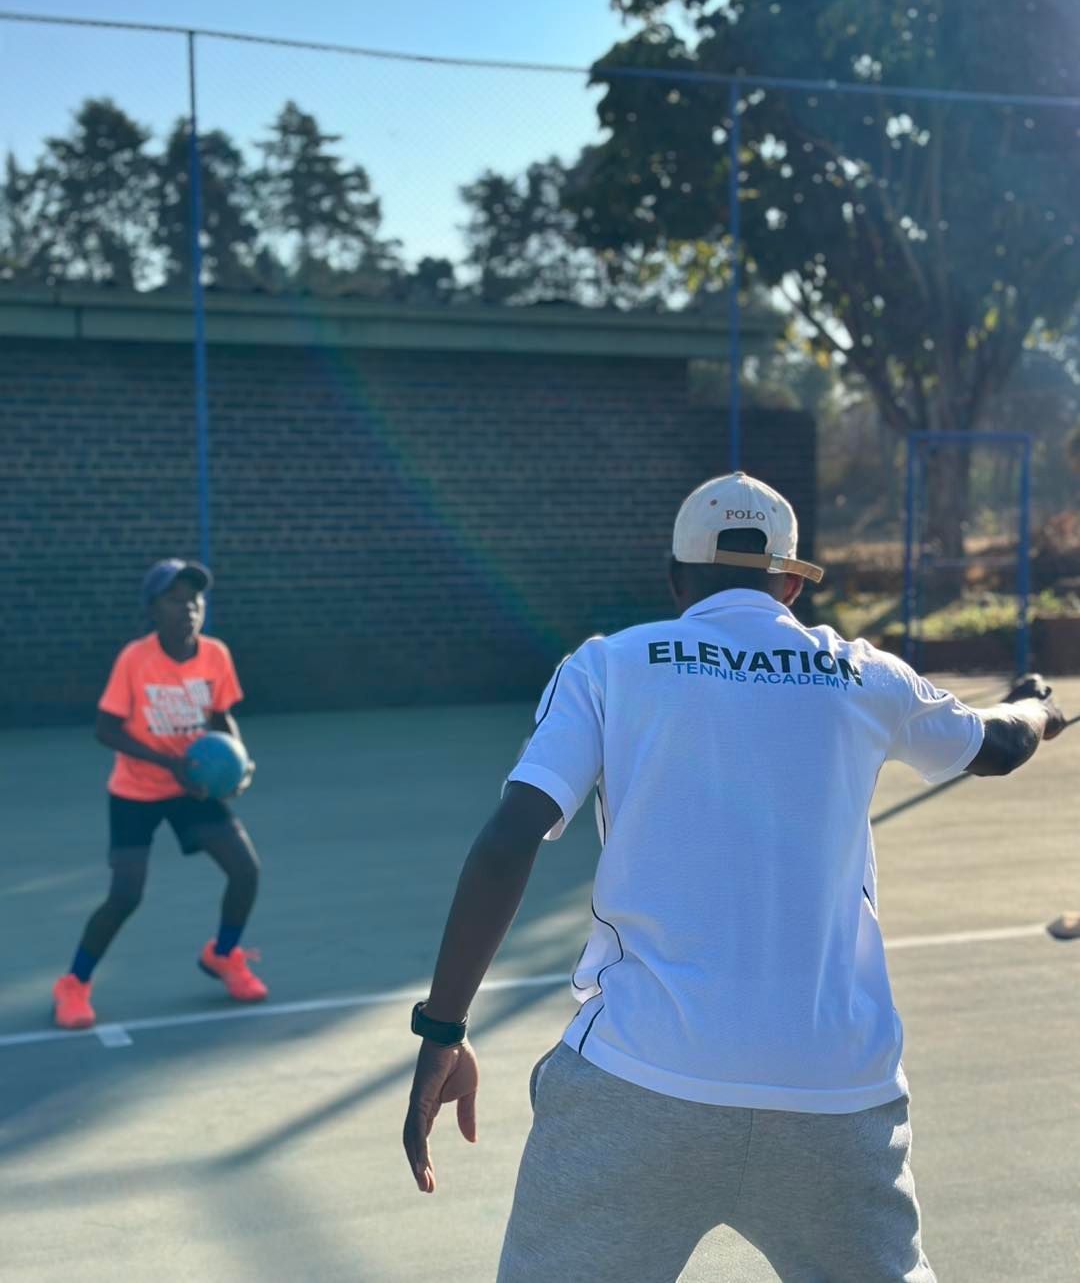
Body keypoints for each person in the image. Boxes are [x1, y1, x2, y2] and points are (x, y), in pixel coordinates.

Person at [402, 471, 1066, 1283]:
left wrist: (443, 1031)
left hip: (637, 1086)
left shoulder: (611, 665)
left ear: (677, 580)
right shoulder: (866, 673)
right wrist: (1039, 706)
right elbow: (997, 747)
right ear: (791, 582)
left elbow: (511, 838)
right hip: (836, 1095)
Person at [52, 559, 267, 1030]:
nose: (189, 607)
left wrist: (237, 761)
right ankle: (73, 983)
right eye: (176, 599)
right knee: (126, 894)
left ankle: (223, 955)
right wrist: (172, 763)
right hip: (137, 790)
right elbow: (106, 729)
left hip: (195, 787)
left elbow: (220, 718)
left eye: (195, 598)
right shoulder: (135, 659)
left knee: (245, 870)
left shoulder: (216, 655)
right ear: (153, 609)